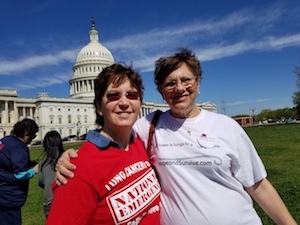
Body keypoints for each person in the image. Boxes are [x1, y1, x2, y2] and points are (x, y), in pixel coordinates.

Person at [56, 49, 297, 225]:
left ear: (198, 83)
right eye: (170, 83)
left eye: (186, 80)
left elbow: (259, 186)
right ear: (161, 93)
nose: (179, 88)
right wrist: (67, 157)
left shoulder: (226, 126)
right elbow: (106, 142)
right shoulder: (147, 128)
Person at [46, 64, 161, 225]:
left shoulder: (139, 142)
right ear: (99, 107)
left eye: (132, 95)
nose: (124, 102)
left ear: (140, 103)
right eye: (113, 95)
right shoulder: (76, 171)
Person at [0, 118, 39, 225]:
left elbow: (6, 161)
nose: (34, 138)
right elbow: (20, 175)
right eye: (33, 135)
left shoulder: (6, 140)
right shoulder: (18, 147)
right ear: (26, 134)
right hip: (9, 197)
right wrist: (34, 170)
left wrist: (28, 163)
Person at [38, 130, 64, 217]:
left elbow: (41, 182)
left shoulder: (43, 163)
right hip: (65, 198)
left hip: (49, 200)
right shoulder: (67, 159)